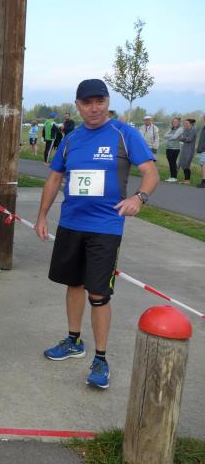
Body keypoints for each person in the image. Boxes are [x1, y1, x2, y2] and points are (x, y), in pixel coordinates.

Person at [35, 79, 158, 390]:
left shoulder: (124, 134)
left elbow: (150, 172)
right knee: (73, 284)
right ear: (77, 105)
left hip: (105, 227)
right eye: (87, 103)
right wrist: (42, 216)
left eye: (99, 101)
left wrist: (139, 198)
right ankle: (73, 340)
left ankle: (101, 359)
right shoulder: (71, 139)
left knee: (99, 294)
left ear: (107, 102)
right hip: (71, 224)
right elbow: (54, 178)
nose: (94, 108)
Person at [163, 117, 184, 182]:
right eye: (173, 121)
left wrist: (169, 137)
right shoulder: (171, 128)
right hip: (168, 148)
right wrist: (172, 135)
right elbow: (164, 135)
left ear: (179, 122)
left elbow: (175, 137)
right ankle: (172, 176)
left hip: (175, 148)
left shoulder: (180, 129)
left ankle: (174, 177)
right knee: (170, 162)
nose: (174, 123)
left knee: (173, 162)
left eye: (176, 121)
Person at [178, 118, 197, 185]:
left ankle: (187, 180)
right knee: (183, 164)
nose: (185, 124)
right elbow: (183, 138)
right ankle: (185, 180)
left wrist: (182, 138)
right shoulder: (185, 130)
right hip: (184, 149)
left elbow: (189, 139)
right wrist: (183, 138)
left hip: (190, 150)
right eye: (185, 123)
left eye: (187, 123)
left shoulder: (193, 130)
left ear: (191, 124)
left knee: (187, 164)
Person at [197, 116, 205, 188]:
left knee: (203, 165)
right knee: (202, 165)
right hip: (202, 149)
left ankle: (204, 182)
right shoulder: (203, 127)